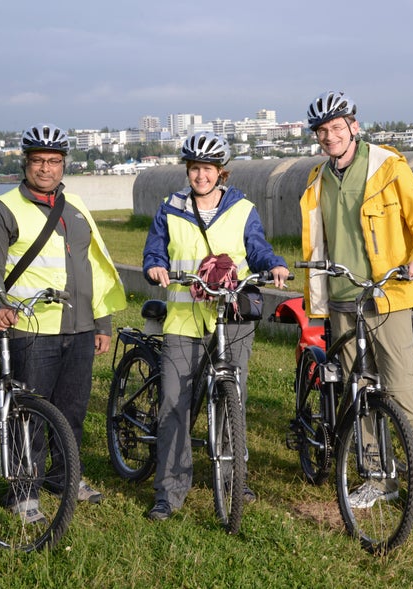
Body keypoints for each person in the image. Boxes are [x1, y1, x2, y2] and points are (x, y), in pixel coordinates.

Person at [300, 91, 413, 526]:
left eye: (337, 128)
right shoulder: (317, 179)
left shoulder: (387, 165)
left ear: (354, 127)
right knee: (358, 392)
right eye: (322, 131)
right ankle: (379, 477)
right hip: (342, 298)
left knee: (401, 393)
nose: (330, 137)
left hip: (386, 296)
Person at [0, 123, 126, 521]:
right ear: (25, 163)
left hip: (78, 328)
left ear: (63, 165)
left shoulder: (75, 208)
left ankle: (63, 478)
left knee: (72, 411)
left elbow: (93, 267)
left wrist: (102, 321)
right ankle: (23, 492)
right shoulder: (3, 209)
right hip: (31, 328)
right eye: (39, 161)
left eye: (54, 161)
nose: (46, 168)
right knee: (29, 414)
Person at [142, 131, 290, 521]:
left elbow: (256, 248)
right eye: (194, 169)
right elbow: (155, 248)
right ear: (188, 171)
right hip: (185, 320)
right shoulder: (170, 208)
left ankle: (232, 477)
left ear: (220, 172)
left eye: (207, 169)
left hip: (232, 317)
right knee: (174, 405)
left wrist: (272, 264)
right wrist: (155, 265)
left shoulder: (242, 208)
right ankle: (169, 491)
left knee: (232, 400)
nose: (201, 176)